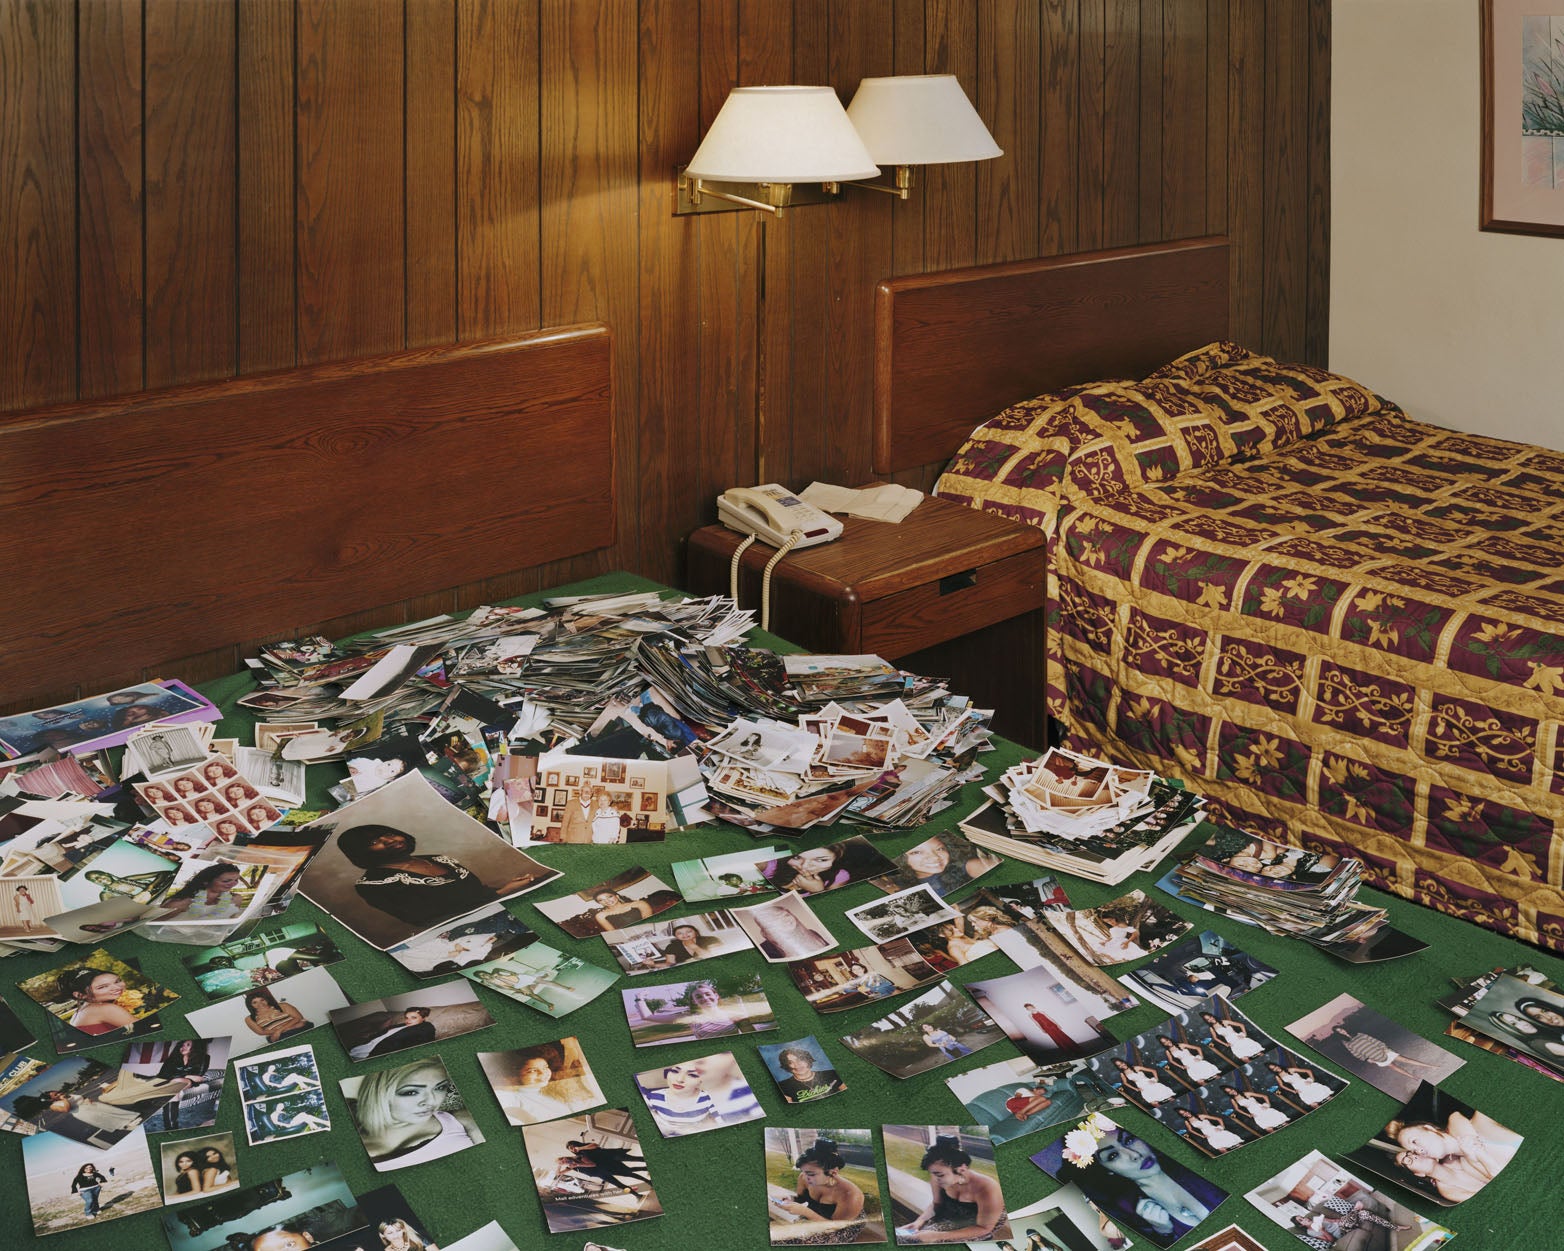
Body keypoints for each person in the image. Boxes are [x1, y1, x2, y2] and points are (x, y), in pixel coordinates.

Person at [335, 825, 537, 928]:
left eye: (389, 833)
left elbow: (475, 892)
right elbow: (427, 918)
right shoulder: (373, 884)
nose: (389, 840)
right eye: (374, 842)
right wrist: (502, 893)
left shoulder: (437, 858)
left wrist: (505, 887)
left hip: (499, 909)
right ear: (360, 853)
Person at [1078, 1127, 1212, 1242]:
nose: (1134, 1155)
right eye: (1113, 1155)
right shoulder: (1126, 1207)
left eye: (1129, 1140)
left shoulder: (1190, 1159)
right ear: (1107, 1170)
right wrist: (1163, 1231)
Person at [352, 1060, 476, 1169]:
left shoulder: (463, 1120)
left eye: (440, 1087)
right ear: (378, 1095)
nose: (432, 1101)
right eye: (411, 1092)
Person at [896, 1134, 1006, 1242]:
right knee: (902, 1237)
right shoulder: (937, 1177)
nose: (934, 1179)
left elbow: (984, 1228)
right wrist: (919, 1221)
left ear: (961, 1169)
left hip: (977, 1228)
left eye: (939, 1175)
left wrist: (937, 1236)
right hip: (950, 1218)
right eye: (932, 1174)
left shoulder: (987, 1188)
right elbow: (936, 1204)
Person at [770, 1136, 866, 1224]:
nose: (805, 1177)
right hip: (815, 1219)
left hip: (841, 1227)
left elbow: (837, 1227)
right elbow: (801, 1199)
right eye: (803, 1172)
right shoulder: (804, 1177)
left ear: (833, 1172)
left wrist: (805, 1212)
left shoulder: (850, 1195)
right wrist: (789, 1199)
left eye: (811, 1174)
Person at [1327, 1022, 1441, 1081]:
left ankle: (1431, 1066)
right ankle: (1412, 1077)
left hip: (1383, 1050)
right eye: (1339, 1031)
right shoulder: (1346, 1043)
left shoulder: (1359, 1034)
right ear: (1338, 1034)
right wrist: (1367, 1059)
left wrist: (1384, 1048)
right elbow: (1355, 1054)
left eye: (1341, 1029)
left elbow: (1374, 1040)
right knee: (1393, 1067)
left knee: (1405, 1059)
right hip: (1374, 1057)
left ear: (1344, 1028)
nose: (1341, 1031)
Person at [642, 1059, 726, 1135]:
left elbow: (723, 1124)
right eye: (675, 1071)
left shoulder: (710, 1098)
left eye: (693, 1075)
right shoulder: (652, 1097)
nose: (679, 1079)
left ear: (702, 1080)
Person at [901, 835, 999, 897]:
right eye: (917, 852)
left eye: (939, 849)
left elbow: (982, 866)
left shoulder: (961, 866)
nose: (935, 857)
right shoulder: (900, 884)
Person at [159, 862, 248, 921]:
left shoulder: (236, 899)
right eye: (226, 881)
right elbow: (151, 923)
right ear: (206, 881)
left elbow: (230, 921)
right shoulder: (180, 903)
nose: (233, 884)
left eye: (236, 880)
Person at [61, 966, 136, 1035]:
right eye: (102, 987)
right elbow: (142, 1028)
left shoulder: (81, 1011)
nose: (117, 987)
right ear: (80, 995)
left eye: (117, 981)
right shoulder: (105, 1009)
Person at [348, 1007, 438, 1060]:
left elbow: (427, 1042)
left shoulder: (426, 1027)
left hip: (376, 1051)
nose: (408, 1020)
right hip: (368, 1043)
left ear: (424, 1018)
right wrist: (369, 1036)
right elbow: (385, 1032)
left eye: (413, 1017)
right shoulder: (404, 1025)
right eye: (406, 1017)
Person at [560, 1137, 651, 1189]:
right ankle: (647, 1171)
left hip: (611, 1155)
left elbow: (595, 1145)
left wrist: (580, 1148)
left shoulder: (584, 1147)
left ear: (576, 1144)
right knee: (628, 1171)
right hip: (608, 1163)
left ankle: (651, 1165)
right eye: (570, 1149)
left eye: (572, 1146)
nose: (573, 1149)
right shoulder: (579, 1156)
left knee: (636, 1159)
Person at [748, 902, 831, 959]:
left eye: (786, 915)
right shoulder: (765, 949)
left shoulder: (811, 932)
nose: (786, 920)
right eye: (775, 920)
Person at [774, 1047, 846, 1103]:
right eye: (790, 1062)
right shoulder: (783, 1086)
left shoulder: (831, 1074)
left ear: (808, 1060)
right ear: (786, 1066)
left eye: (800, 1060)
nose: (797, 1065)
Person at [244, 987, 311, 1043]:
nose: (260, 1004)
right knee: (274, 1039)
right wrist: (281, 1032)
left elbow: (298, 1018)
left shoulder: (282, 1005)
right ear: (250, 1005)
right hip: (278, 1035)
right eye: (255, 1002)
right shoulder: (249, 1019)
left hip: (296, 1028)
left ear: (266, 1000)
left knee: (302, 1024)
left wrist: (280, 1030)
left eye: (262, 1000)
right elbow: (261, 1032)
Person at [1201, 1012, 1266, 1062]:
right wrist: (1225, 1044)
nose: (1210, 1019)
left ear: (1212, 1016)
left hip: (1239, 1039)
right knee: (1245, 1059)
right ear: (1207, 1021)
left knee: (1258, 1053)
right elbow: (1215, 1038)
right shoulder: (1212, 1028)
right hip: (1233, 1044)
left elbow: (1241, 1025)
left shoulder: (1224, 1021)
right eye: (1208, 1019)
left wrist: (1244, 1034)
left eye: (1210, 1017)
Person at [1222, 1085, 1291, 1131]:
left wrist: (1268, 1105)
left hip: (1262, 1109)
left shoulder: (1246, 1093)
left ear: (1233, 1088)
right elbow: (1237, 1109)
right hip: (1255, 1114)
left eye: (1231, 1089)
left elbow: (1264, 1096)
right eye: (1229, 1092)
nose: (1232, 1092)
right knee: (1269, 1129)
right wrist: (1248, 1115)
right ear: (1228, 1094)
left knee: (1282, 1122)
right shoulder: (1233, 1100)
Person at [1266, 1061, 1336, 1106]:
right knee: (1313, 1104)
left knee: (1326, 1097)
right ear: (1272, 1071)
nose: (1276, 1068)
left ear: (1277, 1065)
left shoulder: (1289, 1069)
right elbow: (1282, 1085)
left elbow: (1308, 1071)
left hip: (1306, 1084)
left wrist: (1312, 1080)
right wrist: (1293, 1091)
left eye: (1275, 1066)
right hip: (1299, 1089)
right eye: (1273, 1069)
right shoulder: (1277, 1076)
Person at [1112, 1057, 1177, 1104]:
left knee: (1168, 1097)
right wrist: (1136, 1089)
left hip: (1151, 1084)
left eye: (1121, 1063)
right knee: (1155, 1103)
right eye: (1119, 1065)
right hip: (1143, 1089)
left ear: (1124, 1062)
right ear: (1118, 1067)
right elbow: (1125, 1083)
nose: (1122, 1065)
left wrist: (1156, 1079)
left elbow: (1153, 1071)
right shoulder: (1123, 1074)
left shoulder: (1136, 1067)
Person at [1174, 1107, 1244, 1152]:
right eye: (1183, 1114)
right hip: (1210, 1136)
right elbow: (1190, 1130)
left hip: (1216, 1131)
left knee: (1236, 1144)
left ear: (1187, 1110)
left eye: (1185, 1111)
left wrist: (1221, 1127)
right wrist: (1201, 1136)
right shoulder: (1187, 1121)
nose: (1186, 1114)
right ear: (1182, 1116)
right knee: (1222, 1150)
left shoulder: (1200, 1116)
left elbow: (1218, 1119)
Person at [654, 922, 722, 967]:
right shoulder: (671, 947)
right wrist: (653, 964)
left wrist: (693, 946)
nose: (685, 935)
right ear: (676, 937)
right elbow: (670, 963)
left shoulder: (711, 940)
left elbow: (713, 958)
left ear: (696, 932)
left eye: (689, 931)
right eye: (680, 933)